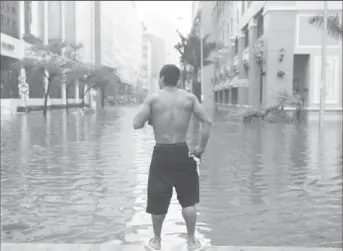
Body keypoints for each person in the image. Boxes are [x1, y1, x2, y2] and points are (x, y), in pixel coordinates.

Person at [133, 64, 212, 250]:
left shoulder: (153, 99)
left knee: (158, 198)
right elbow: (207, 122)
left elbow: (136, 123)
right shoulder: (189, 98)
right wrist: (200, 148)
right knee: (188, 199)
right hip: (182, 151)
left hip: (161, 152)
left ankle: (157, 241)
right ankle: (192, 241)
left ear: (161, 78)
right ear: (178, 80)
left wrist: (152, 118)